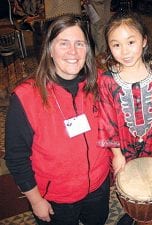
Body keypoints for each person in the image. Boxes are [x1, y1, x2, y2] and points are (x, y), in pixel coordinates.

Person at [5, 15, 111, 225]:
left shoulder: (101, 82)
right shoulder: (26, 97)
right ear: (49, 49)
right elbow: (16, 157)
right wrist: (35, 200)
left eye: (79, 44)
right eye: (63, 43)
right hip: (55, 197)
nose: (73, 52)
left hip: (98, 188)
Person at [97, 12, 152, 225]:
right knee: (130, 186)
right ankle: (134, 213)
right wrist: (116, 154)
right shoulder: (106, 80)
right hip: (123, 146)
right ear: (108, 47)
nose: (124, 51)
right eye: (116, 45)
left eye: (131, 42)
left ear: (144, 41)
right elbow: (106, 120)